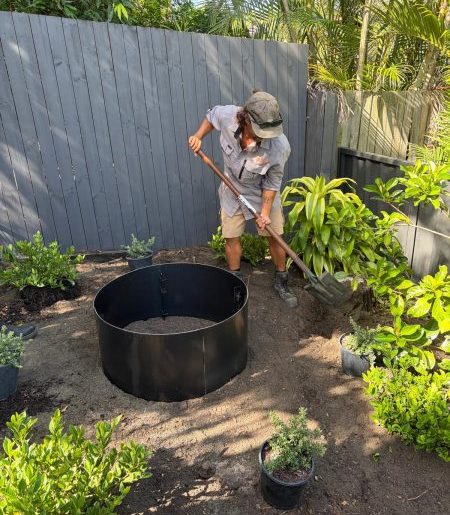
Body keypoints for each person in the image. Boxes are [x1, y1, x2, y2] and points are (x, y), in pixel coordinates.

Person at [188, 90, 297, 308]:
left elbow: (272, 183)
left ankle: (281, 279)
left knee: (275, 235)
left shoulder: (279, 147)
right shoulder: (228, 116)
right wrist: (198, 136)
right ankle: (235, 283)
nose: (265, 136)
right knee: (231, 236)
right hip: (231, 188)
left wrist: (264, 213)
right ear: (246, 119)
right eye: (260, 131)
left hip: (261, 190)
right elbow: (211, 116)